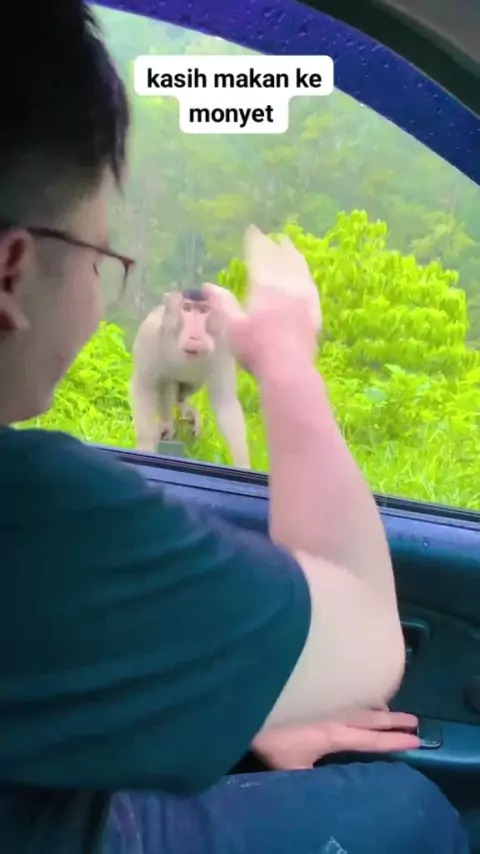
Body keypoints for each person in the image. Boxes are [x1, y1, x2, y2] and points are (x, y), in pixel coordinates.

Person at [0, 2, 469, 853]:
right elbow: (365, 635)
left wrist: (220, 712)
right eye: (103, 261)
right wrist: (285, 359)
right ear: (11, 272)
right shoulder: (30, 516)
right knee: (413, 810)